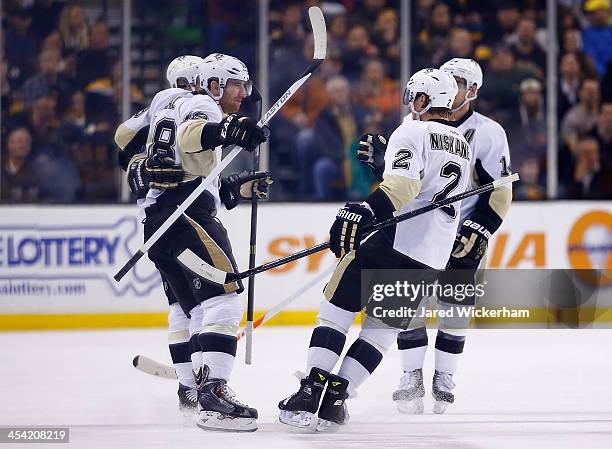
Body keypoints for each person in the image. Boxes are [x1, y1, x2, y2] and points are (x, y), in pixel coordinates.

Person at [278, 68, 471, 431]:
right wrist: (385, 164)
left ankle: (310, 391)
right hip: (429, 256)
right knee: (380, 332)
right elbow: (425, 182)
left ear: (423, 99)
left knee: (336, 310)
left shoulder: (412, 128)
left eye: (414, 96)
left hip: (390, 239)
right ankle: (337, 400)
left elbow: (402, 187)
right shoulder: (462, 143)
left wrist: (365, 209)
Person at [114, 54, 271, 432]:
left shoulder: (167, 103)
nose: (244, 94)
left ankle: (193, 389)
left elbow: (148, 146)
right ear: (214, 84)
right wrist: (228, 130)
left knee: (196, 309)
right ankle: (213, 394)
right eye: (237, 86)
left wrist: (233, 187)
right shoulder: (200, 103)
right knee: (225, 297)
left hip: (163, 219)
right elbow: (191, 137)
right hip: (183, 216)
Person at [358, 58, 513, 414]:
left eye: (458, 80)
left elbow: (500, 190)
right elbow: (405, 181)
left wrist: (480, 228)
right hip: (419, 229)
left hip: (462, 233)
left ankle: (444, 376)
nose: (449, 83)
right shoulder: (412, 123)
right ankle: (411, 374)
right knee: (406, 304)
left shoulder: (488, 132)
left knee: (454, 307)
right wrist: (382, 164)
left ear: (472, 90)